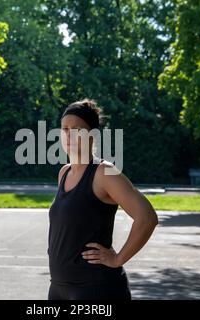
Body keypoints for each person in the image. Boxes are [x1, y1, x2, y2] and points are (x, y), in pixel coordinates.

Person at [47, 98, 159, 300]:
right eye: (64, 129)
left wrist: (117, 259)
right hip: (59, 288)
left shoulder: (104, 173)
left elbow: (147, 218)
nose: (69, 135)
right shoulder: (64, 173)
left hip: (95, 288)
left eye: (76, 129)